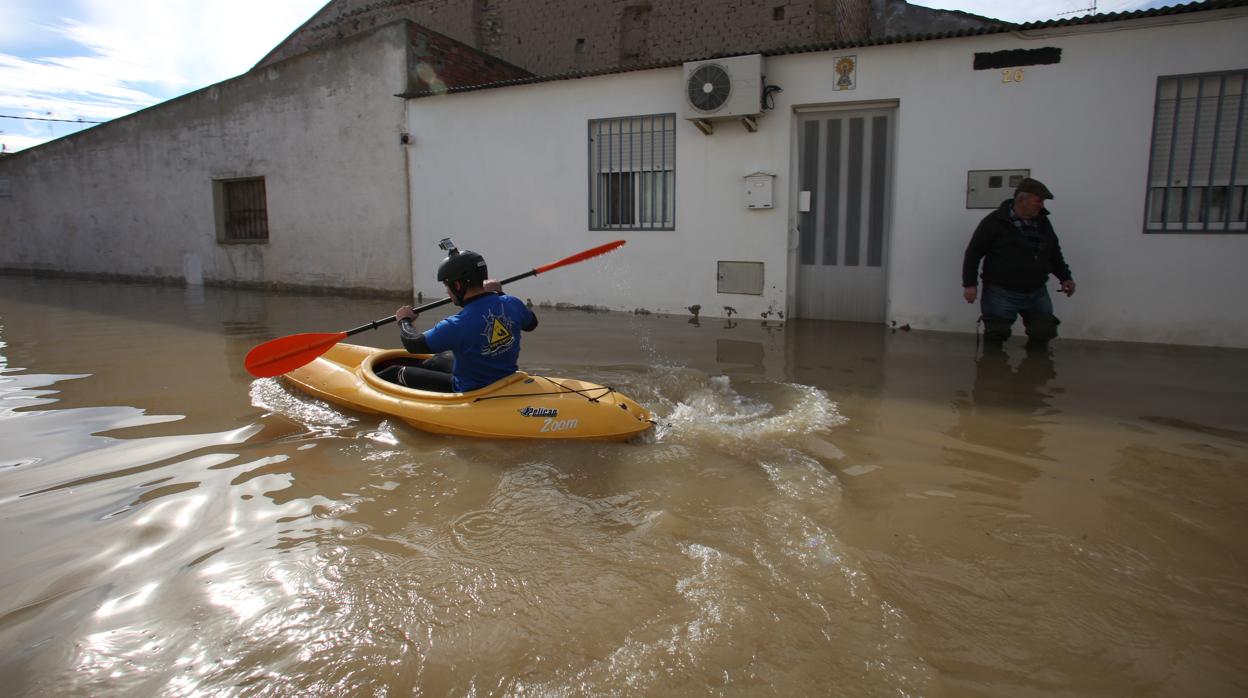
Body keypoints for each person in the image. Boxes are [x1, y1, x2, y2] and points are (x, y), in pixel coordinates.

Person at [376, 241, 538, 392]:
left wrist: (404, 320)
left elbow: (414, 345)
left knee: (394, 372)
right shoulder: (512, 303)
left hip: (469, 389)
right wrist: (500, 292)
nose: (447, 291)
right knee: (439, 359)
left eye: (447, 286)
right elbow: (531, 324)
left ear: (458, 285)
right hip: (504, 379)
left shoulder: (457, 324)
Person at [962, 177, 1075, 350]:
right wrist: (970, 284)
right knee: (996, 335)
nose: (1042, 206)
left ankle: (1035, 372)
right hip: (1000, 293)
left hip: (1037, 292)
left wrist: (1065, 277)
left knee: (1043, 331)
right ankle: (992, 372)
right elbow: (973, 253)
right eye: (1038, 201)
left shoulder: (1043, 222)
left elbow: (1053, 252)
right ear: (1021, 199)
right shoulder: (994, 222)